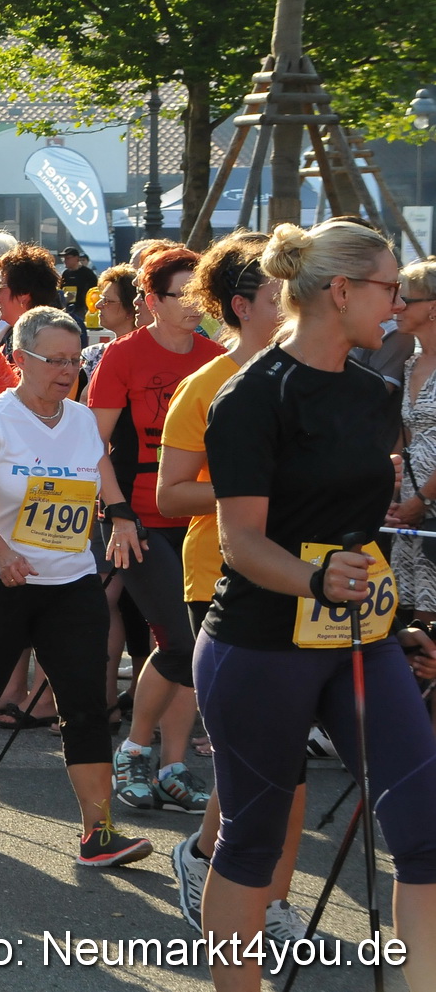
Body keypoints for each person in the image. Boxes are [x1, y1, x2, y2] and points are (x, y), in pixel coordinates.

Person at [200, 220, 436, 990]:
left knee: (424, 827)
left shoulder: (375, 393)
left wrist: (391, 621)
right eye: (387, 286)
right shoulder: (249, 397)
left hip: (357, 639)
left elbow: (356, 528)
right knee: (253, 841)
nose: (398, 303)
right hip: (260, 642)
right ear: (339, 291)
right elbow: (240, 540)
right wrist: (312, 580)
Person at [0, 306, 151, 867]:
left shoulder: (82, 419)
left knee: (87, 700)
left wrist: (120, 513)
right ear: (19, 360)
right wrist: (4, 553)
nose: (68, 371)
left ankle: (98, 831)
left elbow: (99, 464)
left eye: (75, 361)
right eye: (54, 360)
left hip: (71, 583)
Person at [155, 231, 322, 944]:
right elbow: (168, 494)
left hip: (304, 578)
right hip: (218, 578)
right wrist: (251, 486)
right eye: (276, 293)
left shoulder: (310, 375)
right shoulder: (204, 385)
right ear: (240, 305)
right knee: (264, 760)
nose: (291, 302)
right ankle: (221, 872)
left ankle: (249, 887)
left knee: (283, 763)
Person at [89, 244, 223, 815]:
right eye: (181, 295)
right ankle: (134, 751)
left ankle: (173, 765)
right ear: (151, 301)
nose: (195, 306)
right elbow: (90, 446)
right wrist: (117, 513)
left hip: (201, 520)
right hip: (135, 517)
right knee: (181, 639)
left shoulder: (219, 358)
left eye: (201, 295)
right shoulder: (122, 357)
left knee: (192, 643)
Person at [388, 257, 436, 614]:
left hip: (426, 501)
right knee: (411, 610)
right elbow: (405, 437)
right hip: (410, 503)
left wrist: (423, 499)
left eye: (406, 299)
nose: (396, 307)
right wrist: (394, 492)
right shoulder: (410, 362)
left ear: (432, 307)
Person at [59, 245, 98, 316]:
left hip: (83, 309)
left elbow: (95, 291)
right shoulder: (65, 273)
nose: (65, 261)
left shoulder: (87, 273)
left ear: (76, 258)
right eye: (63, 258)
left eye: (67, 258)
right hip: (67, 309)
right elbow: (61, 289)